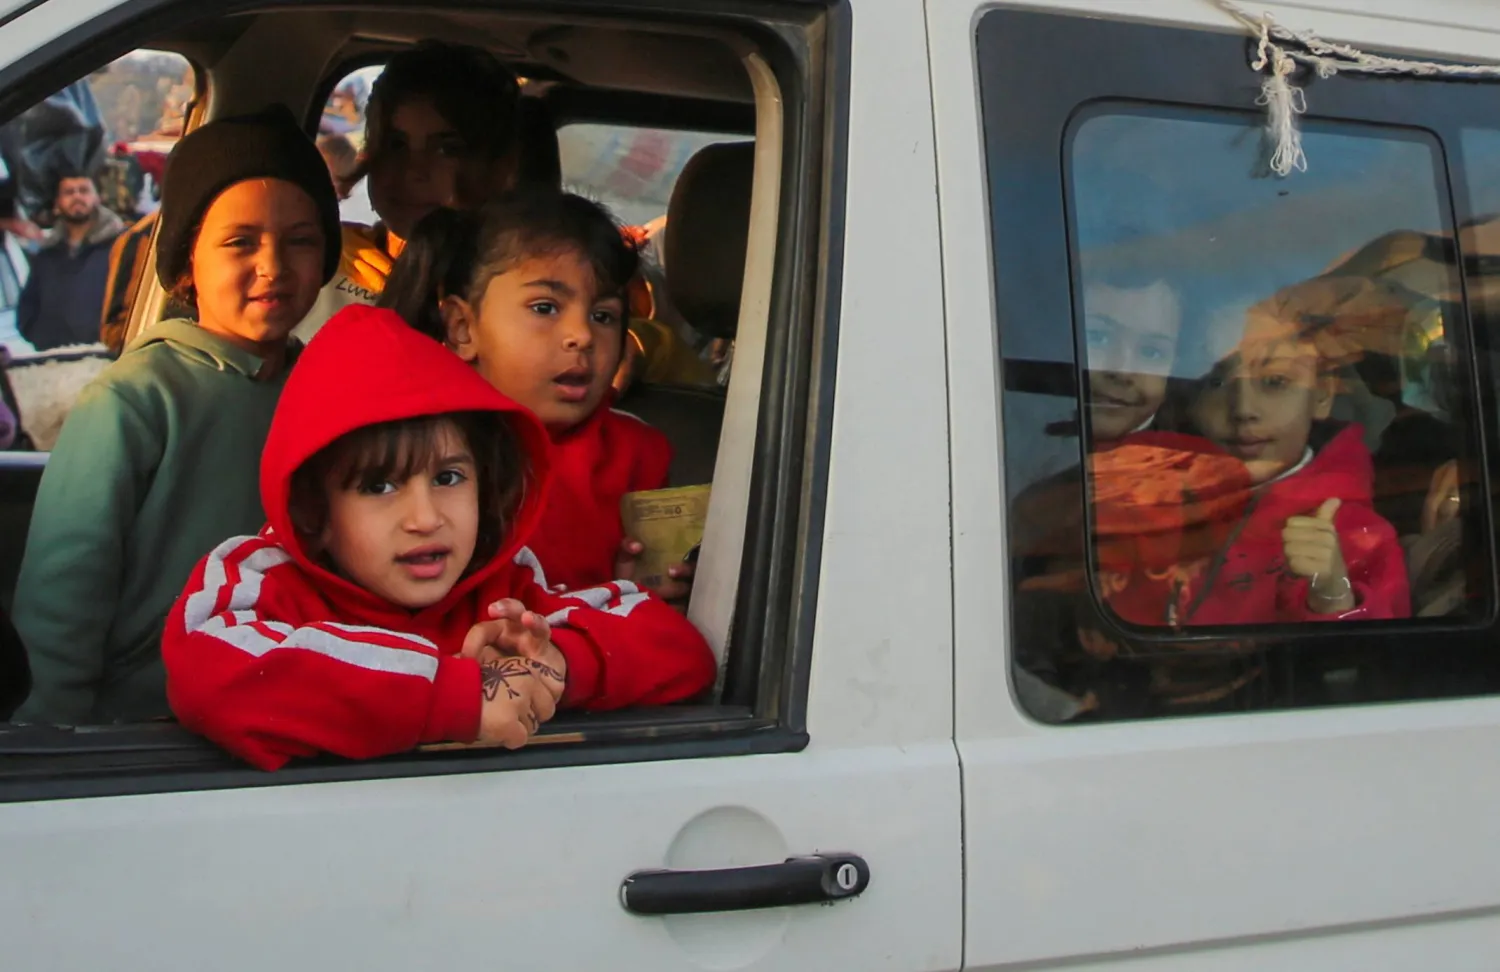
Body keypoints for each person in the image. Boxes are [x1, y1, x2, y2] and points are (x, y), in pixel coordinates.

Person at [163, 305, 716, 771]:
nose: (426, 518)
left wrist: (554, 666)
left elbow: (678, 649)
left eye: (449, 478)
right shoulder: (260, 579)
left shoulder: (505, 584)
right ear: (314, 512)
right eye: (379, 486)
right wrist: (459, 696)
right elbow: (208, 672)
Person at [11, 105, 341, 724]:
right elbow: (65, 590)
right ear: (188, 259)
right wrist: (56, 733)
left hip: (286, 714)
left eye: (301, 240)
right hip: (148, 731)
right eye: (240, 242)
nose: (273, 266)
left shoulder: (329, 392)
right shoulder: (135, 399)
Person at [381, 193, 693, 600]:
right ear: (462, 327)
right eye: (545, 308)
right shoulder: (409, 444)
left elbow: (653, 610)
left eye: (603, 316)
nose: (581, 336)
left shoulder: (638, 456)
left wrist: (632, 597)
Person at [1101, 284, 1412, 628]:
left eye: (1275, 381)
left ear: (1322, 395)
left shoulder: (1355, 533)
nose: (1244, 409)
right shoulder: (1138, 491)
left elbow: (1375, 660)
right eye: (1215, 383)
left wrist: (1332, 594)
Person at [295, 41, 522, 339]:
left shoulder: (514, 296)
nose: (413, 171)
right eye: (395, 144)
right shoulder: (325, 265)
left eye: (447, 149)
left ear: (501, 168)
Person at [17, 170, 125, 350]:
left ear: (97, 197)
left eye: (84, 190)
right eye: (68, 192)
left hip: (106, 358)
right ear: (57, 203)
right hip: (54, 362)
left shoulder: (121, 246)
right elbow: (27, 309)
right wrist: (44, 338)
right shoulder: (46, 255)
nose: (77, 196)